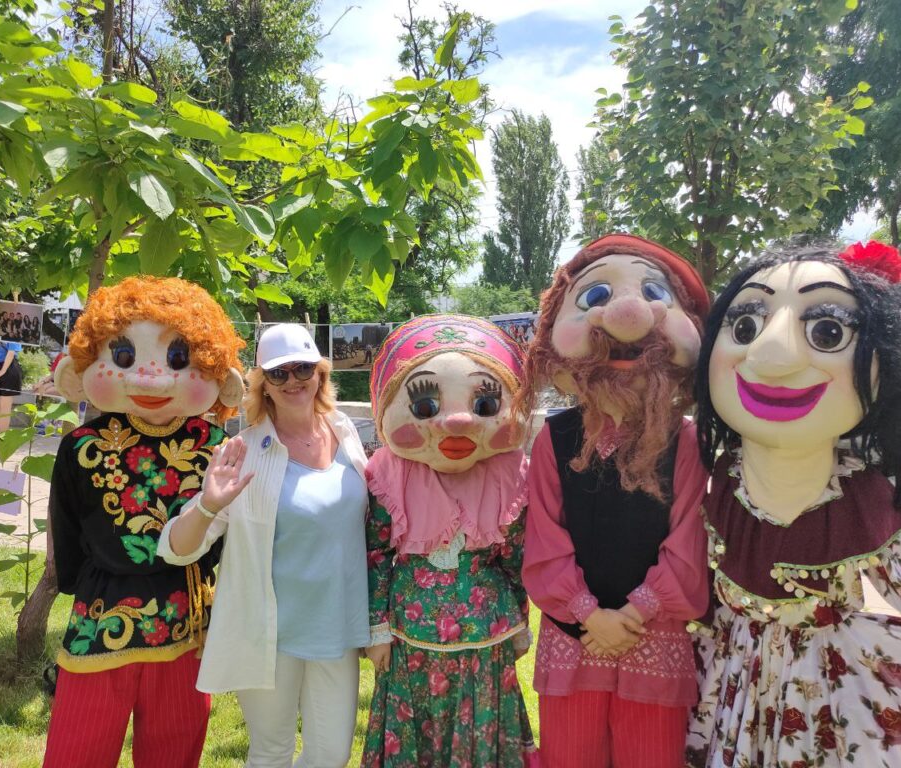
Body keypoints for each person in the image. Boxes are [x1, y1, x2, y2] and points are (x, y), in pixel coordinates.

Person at [686, 241, 901, 767]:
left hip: (837, 683)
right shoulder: (721, 480)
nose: (772, 355)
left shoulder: (862, 494)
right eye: (746, 326)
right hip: (735, 673)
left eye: (828, 332)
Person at [517, 234, 712, 768]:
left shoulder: (686, 440)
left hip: (653, 637)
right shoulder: (554, 438)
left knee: (652, 757)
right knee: (570, 756)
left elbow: (688, 542)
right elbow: (545, 540)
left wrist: (633, 613)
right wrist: (588, 615)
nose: (627, 317)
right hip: (575, 638)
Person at [43, 276, 246, 768]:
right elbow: (65, 526)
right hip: (108, 612)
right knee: (80, 746)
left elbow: (225, 533)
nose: (151, 378)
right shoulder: (82, 447)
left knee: (173, 747)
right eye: (124, 356)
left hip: (178, 619)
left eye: (177, 358)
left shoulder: (215, 447)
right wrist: (76, 581)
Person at [159, 323, 370, 768]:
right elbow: (177, 548)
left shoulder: (344, 430)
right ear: (263, 385)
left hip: (337, 624)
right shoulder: (246, 451)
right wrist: (209, 505)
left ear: (320, 373)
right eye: (278, 373)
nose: (293, 380)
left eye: (303, 368)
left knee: (331, 755)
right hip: (269, 635)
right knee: (271, 753)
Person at [361, 314, 537, 767]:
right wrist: (377, 629)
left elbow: (516, 557)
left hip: (487, 636)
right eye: (424, 407)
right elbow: (375, 554)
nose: (456, 422)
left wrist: (520, 621)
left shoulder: (509, 475)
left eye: (484, 404)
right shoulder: (389, 474)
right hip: (410, 637)